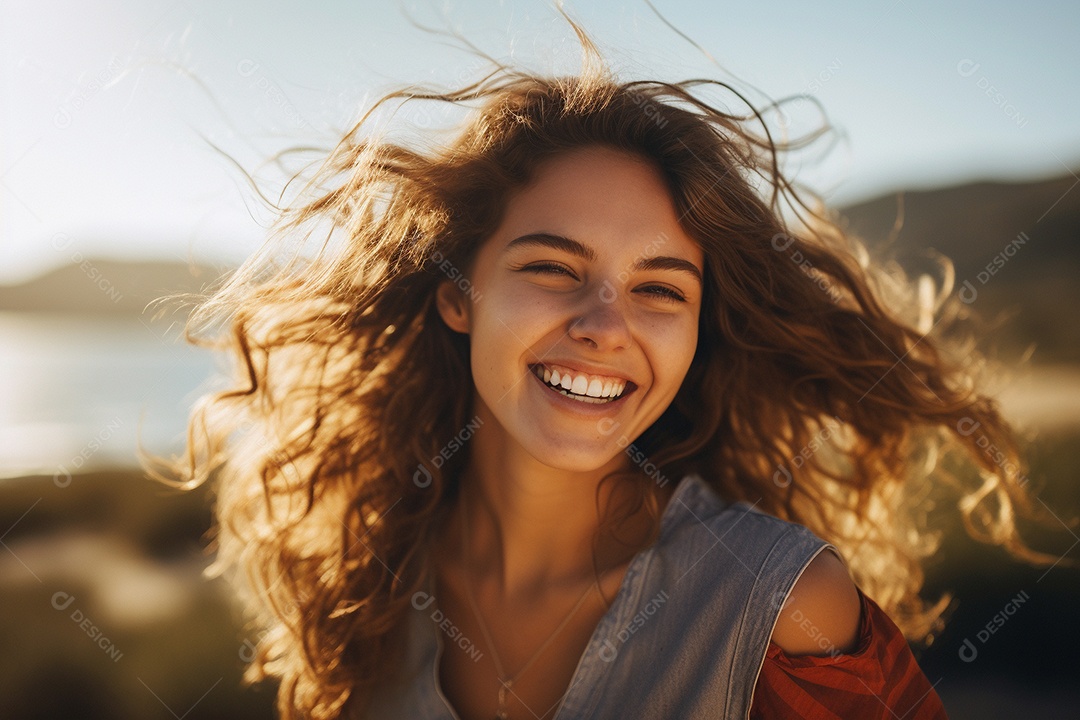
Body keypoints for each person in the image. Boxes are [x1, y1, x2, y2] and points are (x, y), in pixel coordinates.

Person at [153, 13, 1067, 720]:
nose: (604, 325)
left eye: (660, 289)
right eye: (553, 268)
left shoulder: (780, 608)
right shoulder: (372, 590)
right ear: (456, 292)